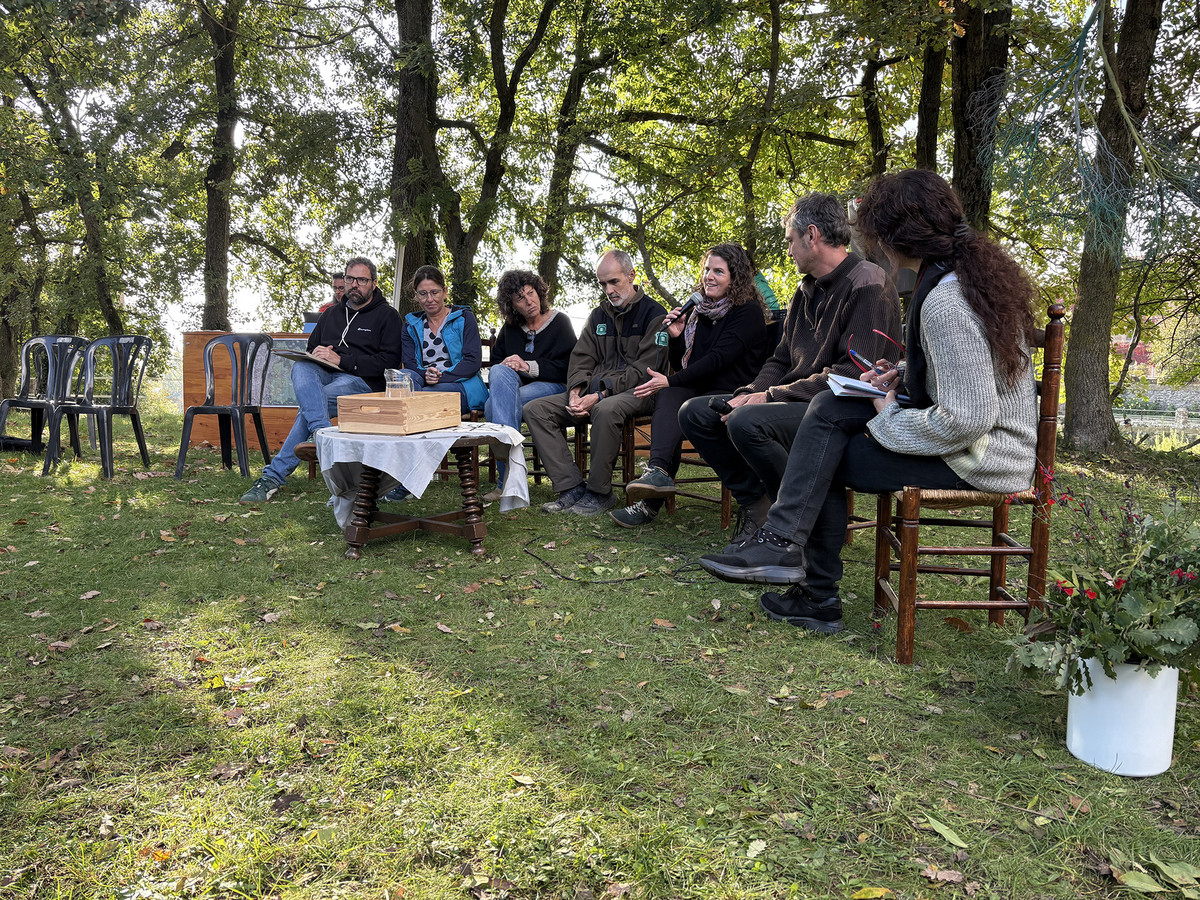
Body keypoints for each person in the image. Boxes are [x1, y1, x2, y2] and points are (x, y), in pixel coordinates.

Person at [698, 169, 1039, 636]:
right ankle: (786, 551)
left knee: (826, 455)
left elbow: (969, 416)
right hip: (974, 441)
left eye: (874, 234)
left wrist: (890, 418)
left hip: (985, 457)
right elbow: (965, 373)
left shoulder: (945, 299)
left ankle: (814, 590)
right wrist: (899, 375)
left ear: (896, 237)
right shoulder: (957, 279)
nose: (872, 245)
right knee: (830, 410)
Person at [678, 193, 901, 545]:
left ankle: (796, 521)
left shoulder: (868, 282)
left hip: (843, 408)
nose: (788, 250)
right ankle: (760, 507)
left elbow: (854, 372)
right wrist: (751, 393)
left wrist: (769, 396)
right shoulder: (804, 291)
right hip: (797, 400)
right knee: (696, 413)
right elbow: (781, 359)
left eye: (790, 241)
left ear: (811, 235)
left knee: (746, 422)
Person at [611, 243, 769, 527]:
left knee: (675, 394)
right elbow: (687, 364)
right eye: (707, 269)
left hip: (735, 391)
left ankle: (650, 504)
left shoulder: (748, 312)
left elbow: (718, 360)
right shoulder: (700, 312)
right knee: (671, 395)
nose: (709, 276)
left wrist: (669, 380)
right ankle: (658, 473)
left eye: (718, 271)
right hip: (702, 388)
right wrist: (676, 337)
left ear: (736, 277)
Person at [241, 256, 404, 503]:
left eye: (361, 280)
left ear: (373, 283)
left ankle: (272, 477)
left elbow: (389, 363)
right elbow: (312, 346)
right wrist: (316, 355)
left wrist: (343, 360)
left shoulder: (388, 316)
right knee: (301, 369)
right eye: (350, 279)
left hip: (363, 383)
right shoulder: (330, 315)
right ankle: (321, 433)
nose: (354, 285)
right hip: (326, 374)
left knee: (315, 403)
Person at [524, 250, 668, 516]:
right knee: (535, 409)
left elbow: (643, 371)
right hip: (595, 393)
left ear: (631, 276)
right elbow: (581, 359)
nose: (608, 290)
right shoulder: (598, 315)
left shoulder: (655, 314)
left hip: (641, 392)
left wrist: (600, 396)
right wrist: (575, 392)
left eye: (614, 281)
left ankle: (600, 493)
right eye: (603, 284)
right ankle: (571, 487)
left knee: (605, 409)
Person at [482, 269, 577, 500]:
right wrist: (507, 363)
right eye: (520, 299)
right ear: (512, 305)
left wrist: (528, 366)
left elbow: (570, 367)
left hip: (554, 387)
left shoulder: (560, 322)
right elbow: (495, 364)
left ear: (539, 292)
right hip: (516, 389)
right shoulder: (510, 329)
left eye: (531, 293)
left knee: (491, 408)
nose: (529, 301)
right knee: (499, 372)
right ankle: (512, 476)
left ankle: (506, 480)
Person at [398, 265, 488, 414]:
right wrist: (425, 375)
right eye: (423, 294)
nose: (429, 299)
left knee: (419, 398)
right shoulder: (410, 326)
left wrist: (440, 377)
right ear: (416, 295)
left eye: (435, 292)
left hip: (463, 385)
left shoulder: (464, 318)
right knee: (406, 384)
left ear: (445, 292)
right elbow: (409, 365)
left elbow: (473, 362)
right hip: (424, 384)